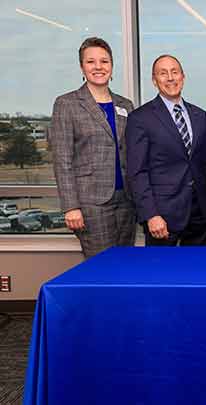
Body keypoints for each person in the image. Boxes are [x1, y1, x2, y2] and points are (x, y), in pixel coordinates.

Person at [49, 37, 136, 258]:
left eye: (104, 61)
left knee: (125, 264)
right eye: (91, 62)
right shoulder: (67, 104)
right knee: (100, 269)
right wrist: (71, 206)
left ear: (112, 66)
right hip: (91, 203)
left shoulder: (125, 105)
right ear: (82, 67)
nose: (98, 67)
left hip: (126, 200)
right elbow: (62, 160)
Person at [126, 55, 206, 246]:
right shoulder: (140, 118)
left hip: (200, 214)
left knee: (197, 272)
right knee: (161, 274)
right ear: (154, 80)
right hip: (162, 215)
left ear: (183, 77)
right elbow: (137, 172)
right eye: (163, 73)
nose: (170, 78)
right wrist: (150, 214)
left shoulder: (200, 116)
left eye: (175, 72)